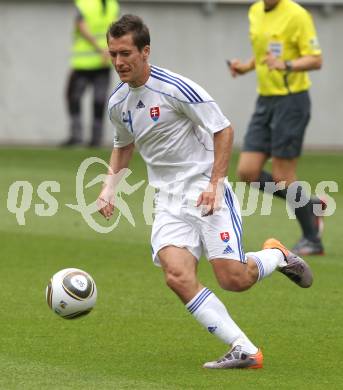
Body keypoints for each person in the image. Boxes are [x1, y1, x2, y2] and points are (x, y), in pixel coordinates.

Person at [97, 14, 313, 369]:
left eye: (125, 53)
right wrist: (109, 188)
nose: (119, 62)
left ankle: (276, 255)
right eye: (113, 54)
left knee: (234, 279)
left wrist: (215, 184)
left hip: (205, 191)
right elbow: (123, 146)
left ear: (145, 51)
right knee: (177, 275)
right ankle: (244, 348)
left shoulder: (176, 88)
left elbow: (223, 129)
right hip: (167, 201)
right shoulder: (118, 102)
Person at [228, 0, 324, 256]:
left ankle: (312, 239)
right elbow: (262, 55)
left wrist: (288, 65)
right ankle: (310, 205)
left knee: (283, 177)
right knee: (247, 172)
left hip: (292, 100)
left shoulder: (297, 15)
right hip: (265, 100)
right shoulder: (255, 11)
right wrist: (245, 66)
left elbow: (316, 60)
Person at [62, 0, 120, 147]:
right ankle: (93, 139)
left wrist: (100, 48)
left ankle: (79, 137)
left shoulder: (84, 3)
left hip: (86, 62)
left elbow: (81, 26)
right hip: (101, 61)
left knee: (76, 98)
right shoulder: (112, 4)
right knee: (96, 101)